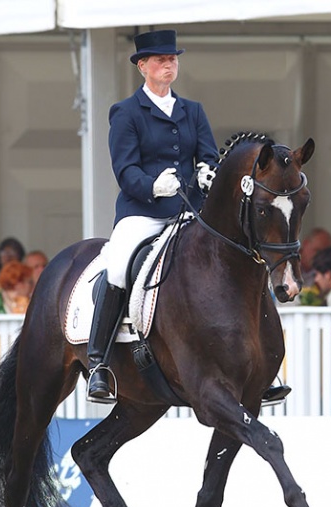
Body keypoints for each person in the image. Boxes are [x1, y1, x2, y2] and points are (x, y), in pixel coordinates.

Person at [86, 29, 219, 402]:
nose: (169, 65)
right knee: (117, 265)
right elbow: (125, 170)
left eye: (173, 59)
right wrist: (151, 186)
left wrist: (208, 173)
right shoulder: (126, 112)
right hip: (142, 211)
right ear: (142, 66)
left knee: (233, 255)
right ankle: (99, 363)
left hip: (189, 211)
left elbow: (207, 155)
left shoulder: (192, 110)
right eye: (161, 60)